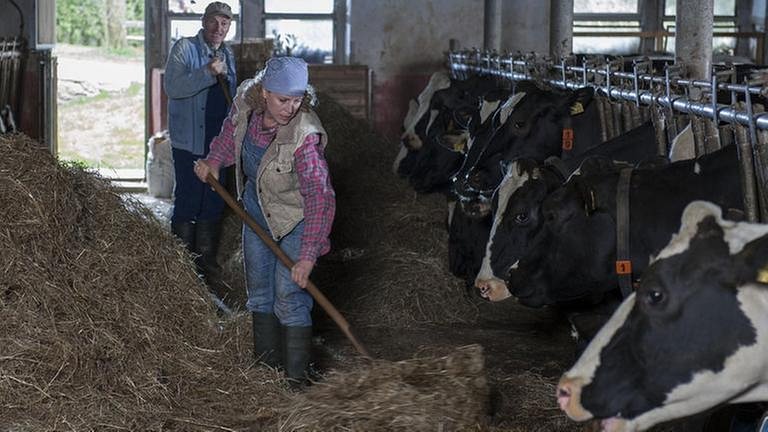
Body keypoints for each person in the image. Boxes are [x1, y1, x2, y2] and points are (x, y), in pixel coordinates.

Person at [193, 56, 336, 388]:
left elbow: (320, 197)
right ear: (264, 92)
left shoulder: (305, 135)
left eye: (298, 99)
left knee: (289, 293)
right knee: (259, 291)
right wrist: (215, 161)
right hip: (257, 211)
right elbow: (232, 131)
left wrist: (308, 254)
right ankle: (266, 375)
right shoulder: (246, 101)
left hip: (296, 220)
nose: (290, 107)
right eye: (283, 100)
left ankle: (296, 382)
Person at [164, 2, 237, 292]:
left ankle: (206, 269)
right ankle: (181, 271)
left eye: (225, 23)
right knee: (188, 200)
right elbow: (173, 87)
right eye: (215, 22)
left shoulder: (228, 54)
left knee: (213, 202)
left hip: (217, 145)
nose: (219, 29)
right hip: (190, 142)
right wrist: (206, 72)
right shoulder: (183, 49)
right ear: (204, 21)